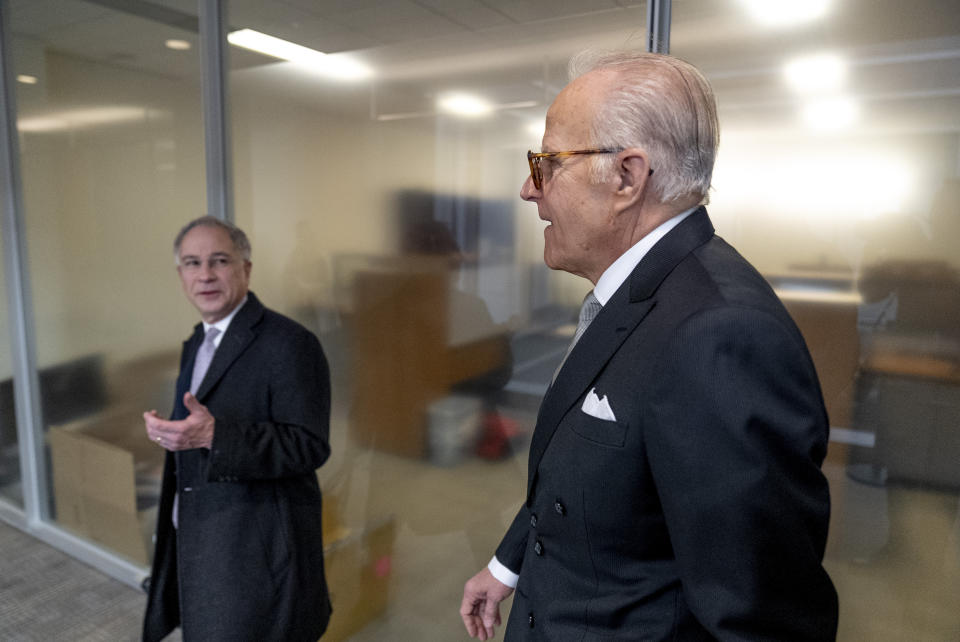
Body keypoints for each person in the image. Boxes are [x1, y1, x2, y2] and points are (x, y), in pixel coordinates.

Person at [460, 51, 838, 640]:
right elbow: (593, 473)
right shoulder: (637, 291)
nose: (527, 190)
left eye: (546, 163)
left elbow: (761, 618)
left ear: (627, 178)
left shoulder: (719, 335)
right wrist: (508, 563)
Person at [142, 216, 332, 642]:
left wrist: (214, 436)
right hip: (200, 532)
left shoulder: (290, 343)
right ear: (180, 276)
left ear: (245, 268)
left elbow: (309, 446)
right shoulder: (197, 339)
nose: (205, 274)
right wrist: (175, 437)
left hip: (256, 551)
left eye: (219, 260)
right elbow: (196, 425)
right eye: (192, 263)